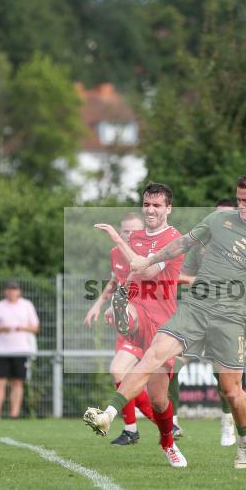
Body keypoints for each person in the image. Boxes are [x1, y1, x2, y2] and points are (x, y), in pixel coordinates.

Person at [83, 171, 246, 470]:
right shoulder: (218, 221)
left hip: (229, 317)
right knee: (153, 356)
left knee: (231, 392)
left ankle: (245, 441)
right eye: (238, 199)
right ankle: (108, 415)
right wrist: (148, 261)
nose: (240, 206)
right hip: (196, 307)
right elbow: (183, 243)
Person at [89, 182, 186, 465]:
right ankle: (124, 318)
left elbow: (148, 268)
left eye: (157, 205)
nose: (151, 210)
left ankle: (168, 443)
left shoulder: (175, 238)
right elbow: (132, 279)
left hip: (164, 321)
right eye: (147, 204)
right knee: (120, 364)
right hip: (139, 310)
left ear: (168, 208)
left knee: (158, 399)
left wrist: (118, 240)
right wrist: (116, 302)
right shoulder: (138, 237)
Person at [84, 211, 158, 446]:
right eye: (125, 230)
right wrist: (99, 304)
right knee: (119, 372)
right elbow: (116, 281)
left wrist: (118, 306)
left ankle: (161, 422)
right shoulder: (115, 253)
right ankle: (133, 428)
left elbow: (136, 286)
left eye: (134, 230)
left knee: (149, 381)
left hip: (146, 323)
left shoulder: (146, 255)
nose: (129, 235)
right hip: (127, 322)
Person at [175, 198, 239, 446]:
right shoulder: (200, 245)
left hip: (225, 315)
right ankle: (173, 422)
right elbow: (184, 276)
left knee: (222, 376)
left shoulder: (244, 248)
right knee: (172, 363)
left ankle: (227, 422)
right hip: (197, 311)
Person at [0, 280, 40, 419]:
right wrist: (2, 328)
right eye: (10, 289)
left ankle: (14, 414)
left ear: (19, 291)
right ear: (6, 291)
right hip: (2, 351)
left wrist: (21, 327)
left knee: (17, 382)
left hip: (21, 350)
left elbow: (35, 327)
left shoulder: (27, 305)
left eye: (14, 289)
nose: (12, 292)